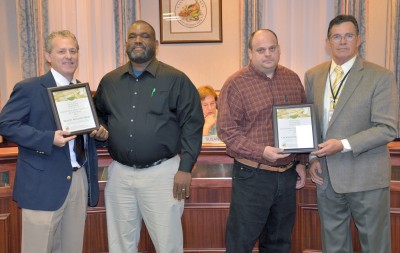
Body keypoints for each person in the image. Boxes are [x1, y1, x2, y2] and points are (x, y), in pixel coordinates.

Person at [93, 20, 204, 253]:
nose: (138, 41)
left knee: (168, 244)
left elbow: (192, 125)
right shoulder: (110, 81)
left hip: (162, 174)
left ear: (156, 43)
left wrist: (185, 168)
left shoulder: (175, 79)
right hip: (120, 174)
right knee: (120, 244)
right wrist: (99, 129)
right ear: (126, 43)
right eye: (133, 36)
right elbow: (98, 115)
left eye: (145, 36)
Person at [0, 30, 108, 253]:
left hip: (78, 180)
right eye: (62, 51)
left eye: (73, 51)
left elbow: (83, 136)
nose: (69, 56)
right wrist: (48, 139)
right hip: (42, 183)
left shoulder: (82, 91)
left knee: (72, 248)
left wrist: (98, 136)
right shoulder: (30, 88)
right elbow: (6, 125)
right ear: (48, 56)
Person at [304, 15, 398, 253]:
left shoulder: (380, 76)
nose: (342, 41)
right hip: (326, 177)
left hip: (366, 176)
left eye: (348, 35)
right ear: (328, 42)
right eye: (336, 36)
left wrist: (343, 144)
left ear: (359, 39)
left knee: (375, 246)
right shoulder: (313, 75)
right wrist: (313, 158)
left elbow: (388, 128)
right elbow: (312, 123)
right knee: (333, 247)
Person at [217, 29, 308, 253]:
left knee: (279, 242)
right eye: (260, 50)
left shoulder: (291, 78)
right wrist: (261, 151)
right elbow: (227, 131)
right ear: (250, 53)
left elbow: (302, 123)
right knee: (241, 242)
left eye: (272, 48)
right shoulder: (236, 84)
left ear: (279, 50)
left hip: (287, 176)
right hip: (252, 176)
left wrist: (301, 162)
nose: (267, 54)